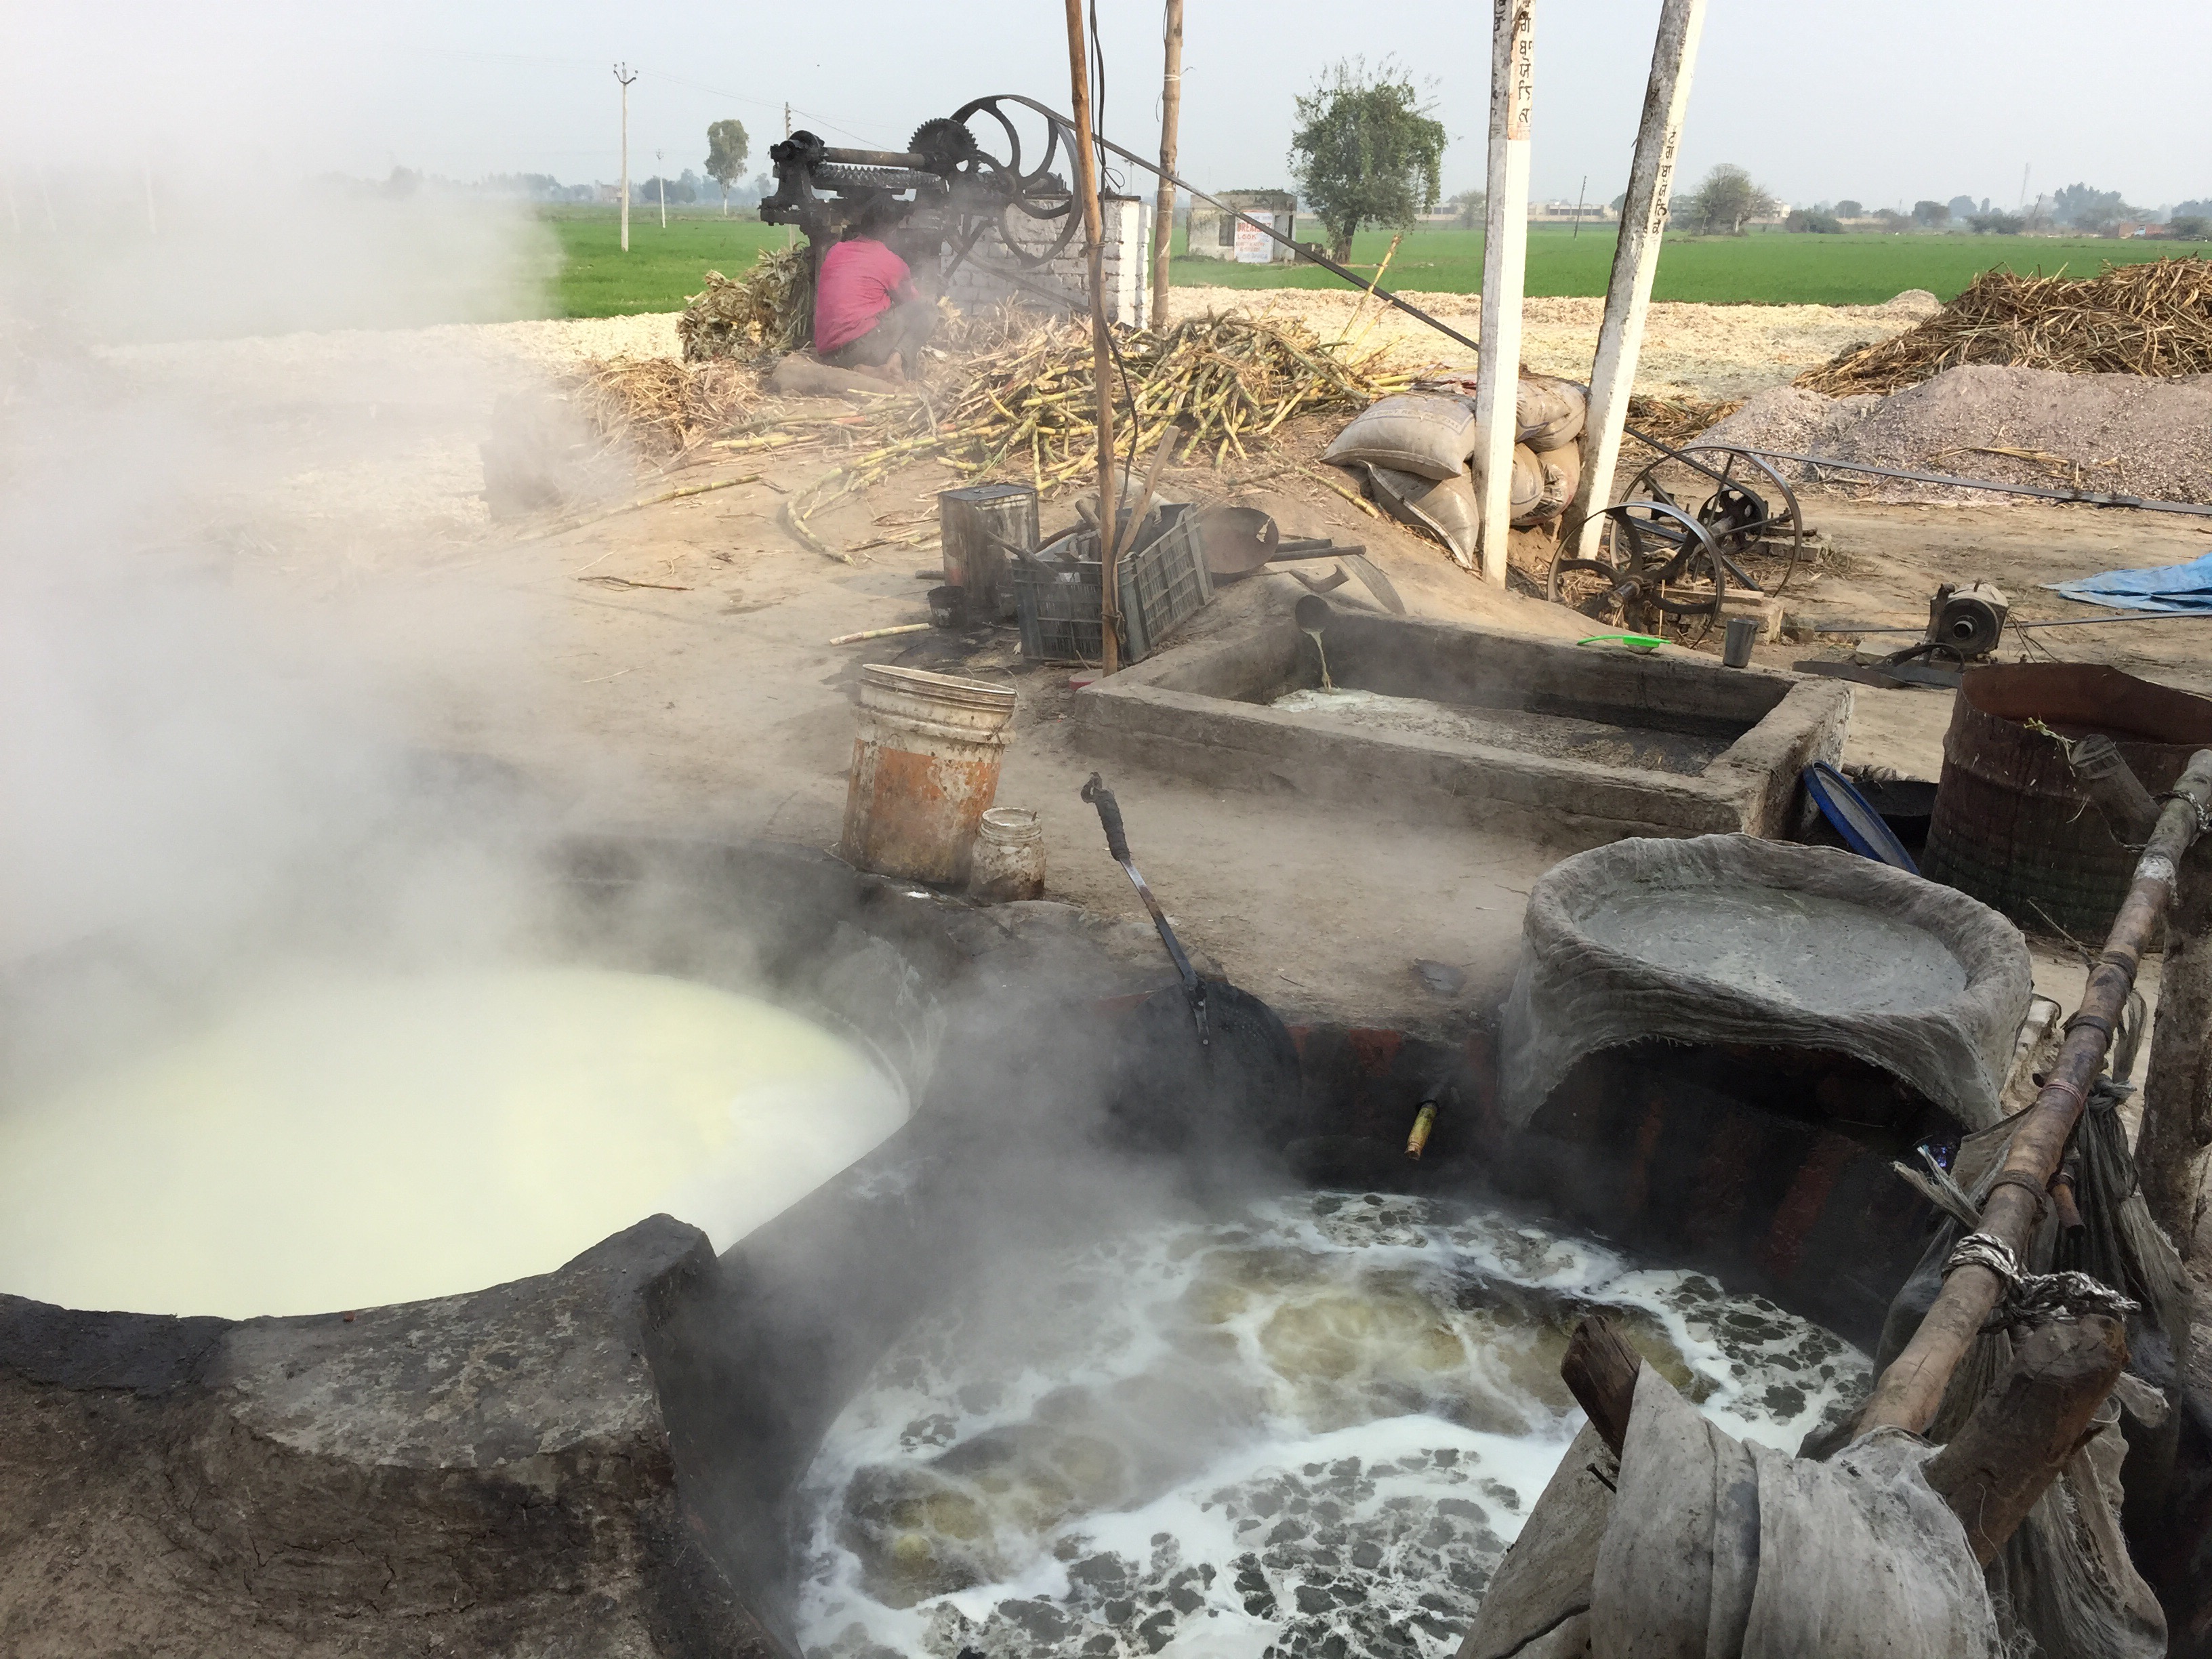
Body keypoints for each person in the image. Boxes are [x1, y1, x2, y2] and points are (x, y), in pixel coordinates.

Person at [812, 194, 937, 382]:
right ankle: (895, 362)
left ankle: (859, 370)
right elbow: (913, 303)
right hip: (860, 348)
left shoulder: (835, 250)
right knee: (928, 309)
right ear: (892, 230)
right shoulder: (892, 263)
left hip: (827, 353)